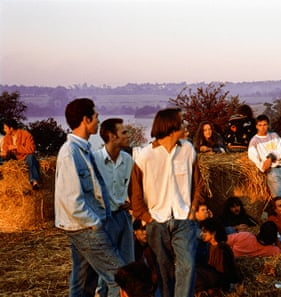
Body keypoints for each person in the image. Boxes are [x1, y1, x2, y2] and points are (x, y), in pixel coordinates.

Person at [54, 98, 125, 297]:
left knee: (84, 281)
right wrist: (96, 223)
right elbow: (71, 201)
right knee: (120, 277)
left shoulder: (83, 150)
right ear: (86, 119)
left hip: (84, 226)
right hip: (85, 227)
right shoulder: (70, 153)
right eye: (96, 117)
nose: (98, 121)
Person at [129, 108, 201, 297]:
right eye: (182, 121)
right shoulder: (145, 156)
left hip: (183, 218)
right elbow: (134, 193)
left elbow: (198, 183)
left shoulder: (188, 149)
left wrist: (193, 209)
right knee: (163, 272)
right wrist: (146, 217)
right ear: (171, 127)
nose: (186, 124)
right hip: (156, 222)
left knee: (188, 265)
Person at [93, 118, 134, 296]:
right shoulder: (94, 160)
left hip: (123, 217)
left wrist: (131, 202)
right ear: (111, 136)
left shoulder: (127, 160)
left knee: (127, 263)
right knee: (107, 267)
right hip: (103, 218)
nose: (128, 135)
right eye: (123, 132)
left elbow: (132, 187)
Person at [195, 218, 241, 294]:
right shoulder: (211, 245)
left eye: (205, 231)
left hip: (221, 280)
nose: (201, 234)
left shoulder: (221, 248)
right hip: (215, 277)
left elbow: (224, 274)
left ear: (213, 233)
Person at [1, 118, 41, 189]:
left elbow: (32, 149)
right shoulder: (7, 137)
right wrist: (4, 153)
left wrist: (16, 147)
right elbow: (5, 148)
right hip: (12, 158)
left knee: (31, 158)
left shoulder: (26, 135)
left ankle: (34, 181)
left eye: (5, 128)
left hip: (24, 157)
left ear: (11, 128)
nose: (4, 130)